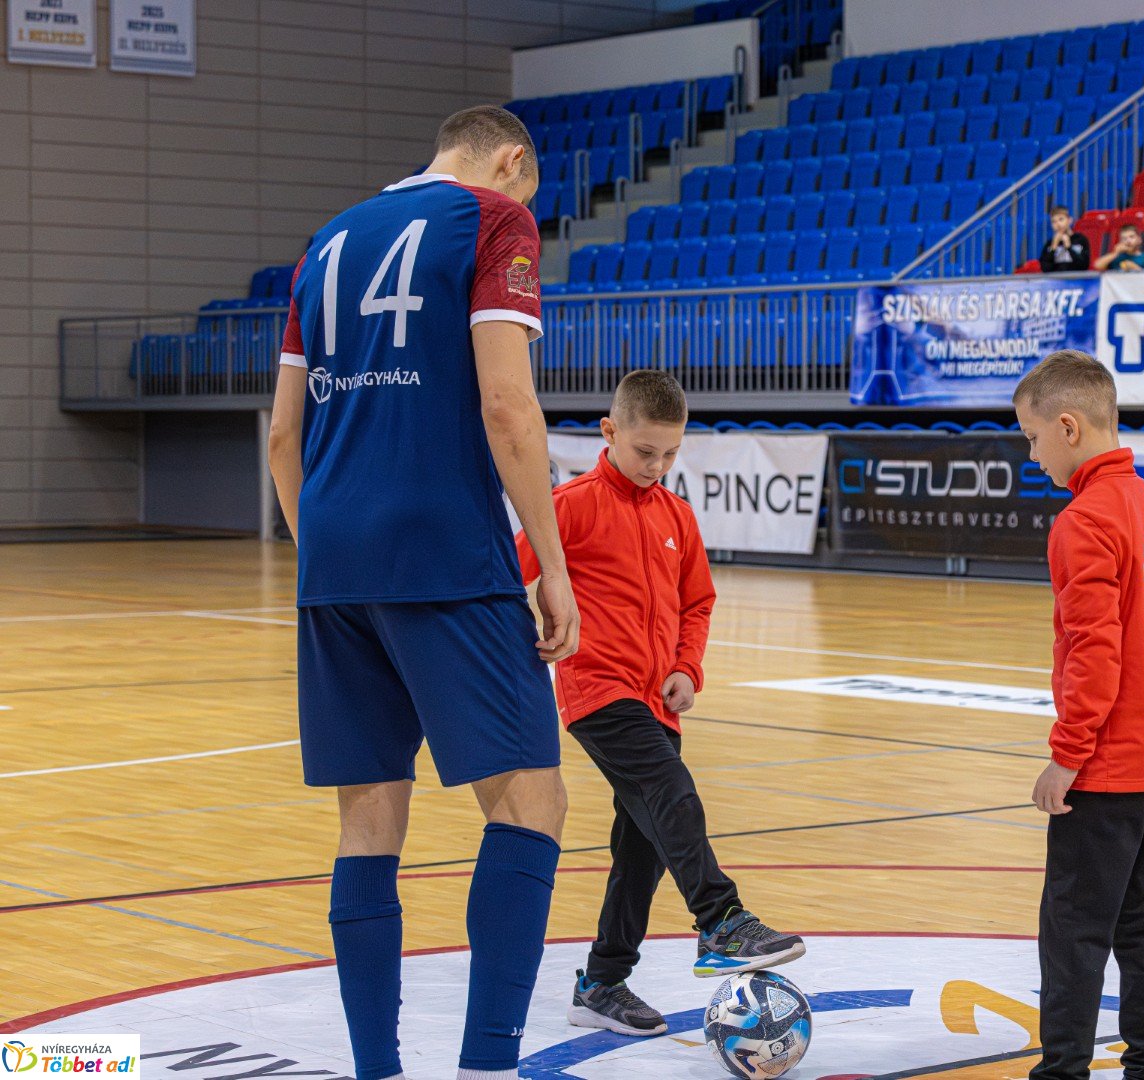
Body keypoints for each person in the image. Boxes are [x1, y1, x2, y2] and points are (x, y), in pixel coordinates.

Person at [266, 106, 578, 1080]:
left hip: (333, 561)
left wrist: (326, 552)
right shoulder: (495, 219)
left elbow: (282, 436)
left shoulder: (326, 242)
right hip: (446, 550)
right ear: (511, 162)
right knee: (530, 802)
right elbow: (506, 403)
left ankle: (377, 1070)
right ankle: (487, 1067)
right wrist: (553, 565)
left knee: (368, 821)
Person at [521, 371, 806, 1038]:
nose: (658, 466)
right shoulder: (569, 506)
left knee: (643, 848)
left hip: (659, 701)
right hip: (596, 691)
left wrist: (687, 667)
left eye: (671, 453)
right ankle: (721, 920)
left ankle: (601, 982)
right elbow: (513, 572)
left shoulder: (678, 515)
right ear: (609, 431)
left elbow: (697, 603)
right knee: (672, 792)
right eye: (645, 452)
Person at [1013, 350, 1144, 1080]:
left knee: (1074, 933)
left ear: (1067, 426)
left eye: (1032, 439)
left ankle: (1061, 1071)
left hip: (1112, 766)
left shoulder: (1084, 519)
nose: (1033, 455)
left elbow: (1096, 652)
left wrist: (1068, 752)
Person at [1040, 204, 1091, 273]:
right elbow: (1045, 268)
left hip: (1076, 281)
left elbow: (1084, 266)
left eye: (1061, 219)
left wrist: (1069, 247)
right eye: (1054, 222)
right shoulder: (1049, 244)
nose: (1058, 224)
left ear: (1069, 220)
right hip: (1055, 281)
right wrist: (1053, 247)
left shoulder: (1080, 240)